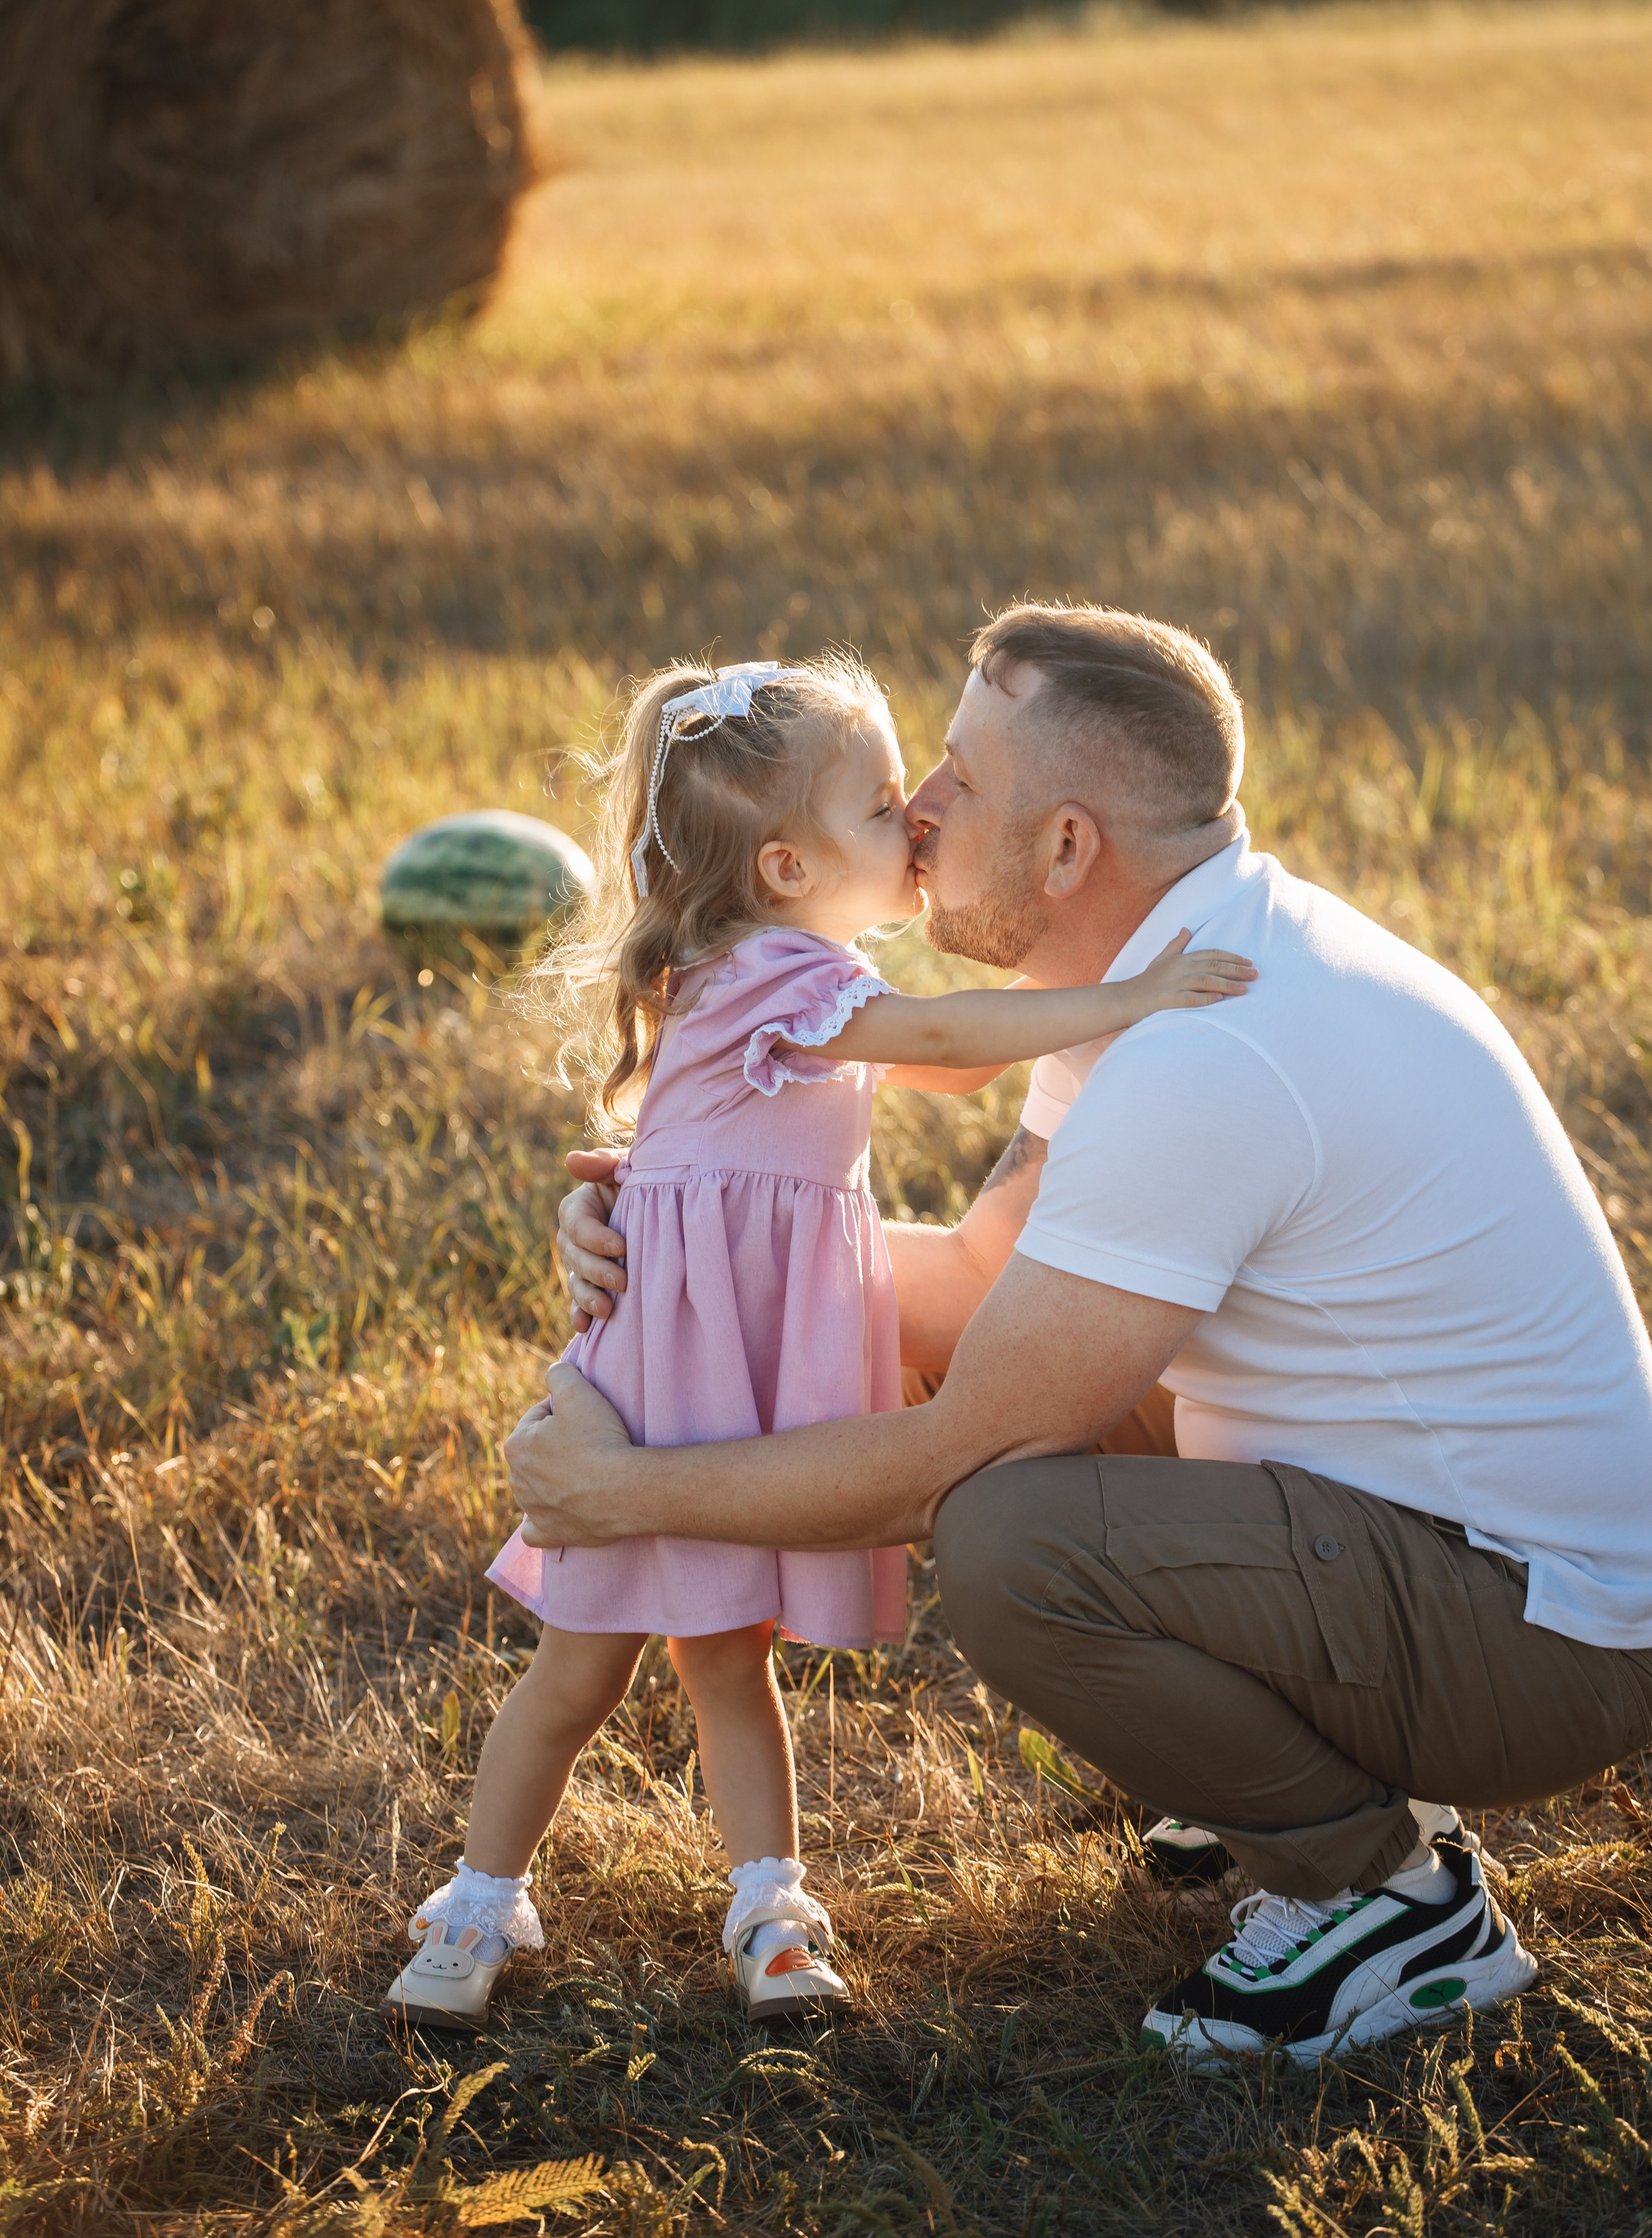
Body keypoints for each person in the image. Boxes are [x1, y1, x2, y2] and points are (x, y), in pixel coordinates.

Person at [538, 601, 1652, 2067]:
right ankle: (1274, 1757)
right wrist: (685, 1236)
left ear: (1064, 849)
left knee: (1011, 1539)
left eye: (957, 779)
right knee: (1017, 1392)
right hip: (1470, 1562)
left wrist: (616, 1494)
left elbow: (945, 1455)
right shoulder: (1187, 953)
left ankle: (1380, 1892)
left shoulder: (1202, 1052)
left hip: (1541, 1644)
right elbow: (971, 1288)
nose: (917, 809)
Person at [383, 649, 1254, 2032]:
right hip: (678, 1368)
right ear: (785, 871)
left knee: (727, 1657)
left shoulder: (772, 970)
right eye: (876, 808)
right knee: (582, 1666)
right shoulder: (784, 976)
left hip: (712, 1347)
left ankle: (768, 1901)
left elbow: (952, 1059)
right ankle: (483, 1894)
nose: (910, 819)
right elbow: (951, 1027)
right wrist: (1129, 1001)